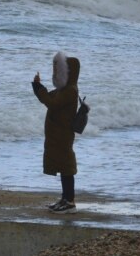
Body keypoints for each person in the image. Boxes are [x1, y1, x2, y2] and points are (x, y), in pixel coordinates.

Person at [31, 51, 80, 213]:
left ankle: (70, 202)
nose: (56, 73)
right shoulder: (64, 89)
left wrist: (39, 88)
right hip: (58, 134)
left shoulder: (70, 90)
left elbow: (51, 103)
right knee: (62, 165)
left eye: (59, 71)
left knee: (66, 166)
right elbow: (47, 98)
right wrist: (38, 86)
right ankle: (65, 198)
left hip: (63, 134)